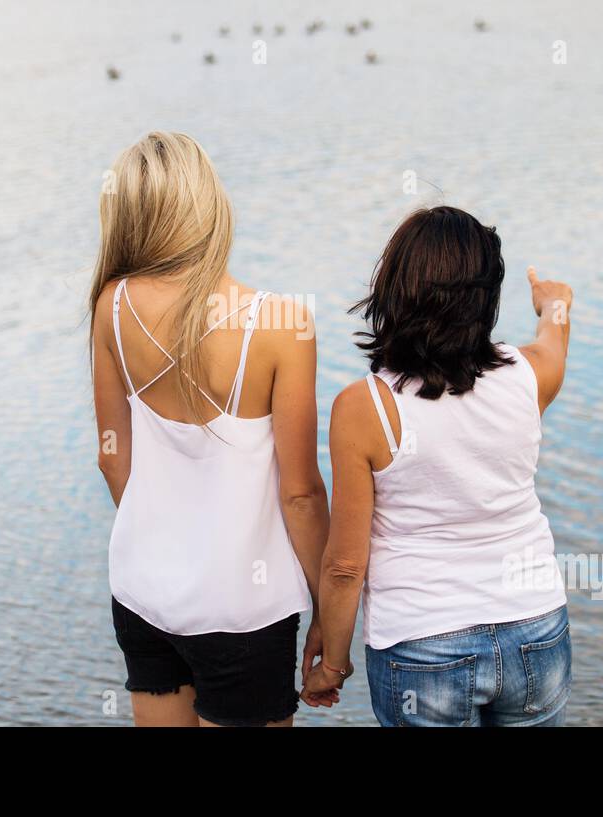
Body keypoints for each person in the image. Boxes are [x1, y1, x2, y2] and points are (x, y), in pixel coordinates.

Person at [89, 131, 328, 727]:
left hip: (144, 592)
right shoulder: (281, 324)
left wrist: (168, 545)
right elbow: (300, 493)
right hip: (243, 611)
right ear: (209, 207)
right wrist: (329, 605)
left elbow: (112, 457)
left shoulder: (111, 306)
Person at [301, 205, 574, 726]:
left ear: (394, 289)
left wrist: (332, 665)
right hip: (536, 631)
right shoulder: (528, 377)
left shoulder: (364, 409)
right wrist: (555, 304)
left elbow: (344, 566)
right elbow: (553, 342)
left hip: (423, 647)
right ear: (485, 299)